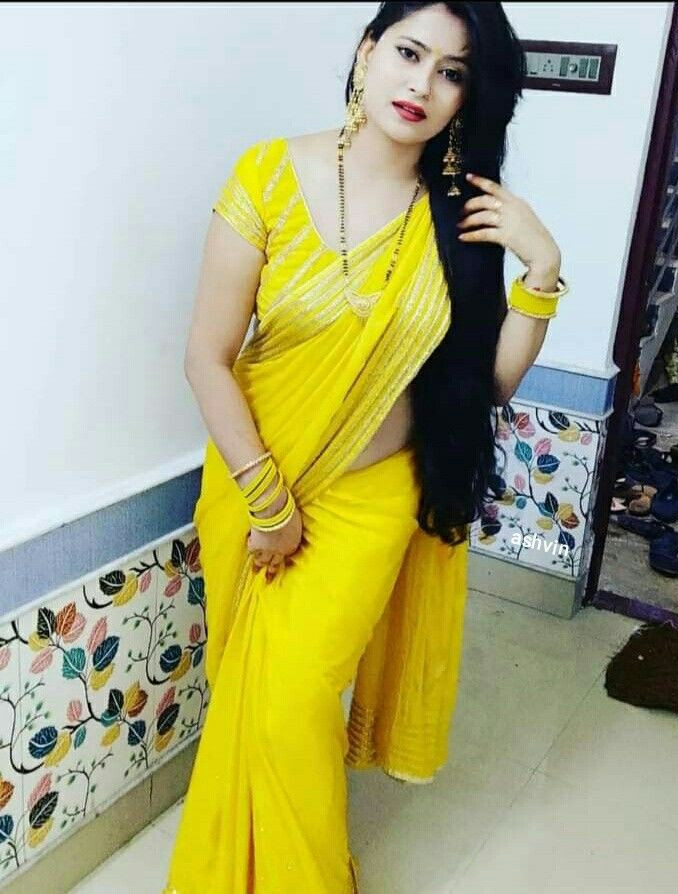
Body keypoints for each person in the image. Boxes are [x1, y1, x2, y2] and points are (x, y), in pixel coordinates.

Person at [163, 2, 567, 892]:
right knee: (250, 699)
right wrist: (268, 502)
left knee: (290, 703)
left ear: (469, 96)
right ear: (366, 52)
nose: (422, 84)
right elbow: (206, 355)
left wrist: (541, 272)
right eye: (409, 53)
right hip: (254, 486)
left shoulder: (460, 216)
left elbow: (484, 388)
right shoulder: (269, 174)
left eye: (452, 72)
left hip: (372, 498)